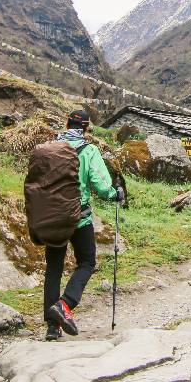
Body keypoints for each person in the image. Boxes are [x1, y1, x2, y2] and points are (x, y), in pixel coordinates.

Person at [44, 109, 125, 340]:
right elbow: (101, 185)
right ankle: (65, 304)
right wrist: (116, 193)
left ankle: (53, 327)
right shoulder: (88, 150)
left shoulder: (49, 148)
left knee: (54, 269)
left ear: (67, 124)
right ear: (86, 128)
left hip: (52, 217)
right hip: (79, 218)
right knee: (87, 262)